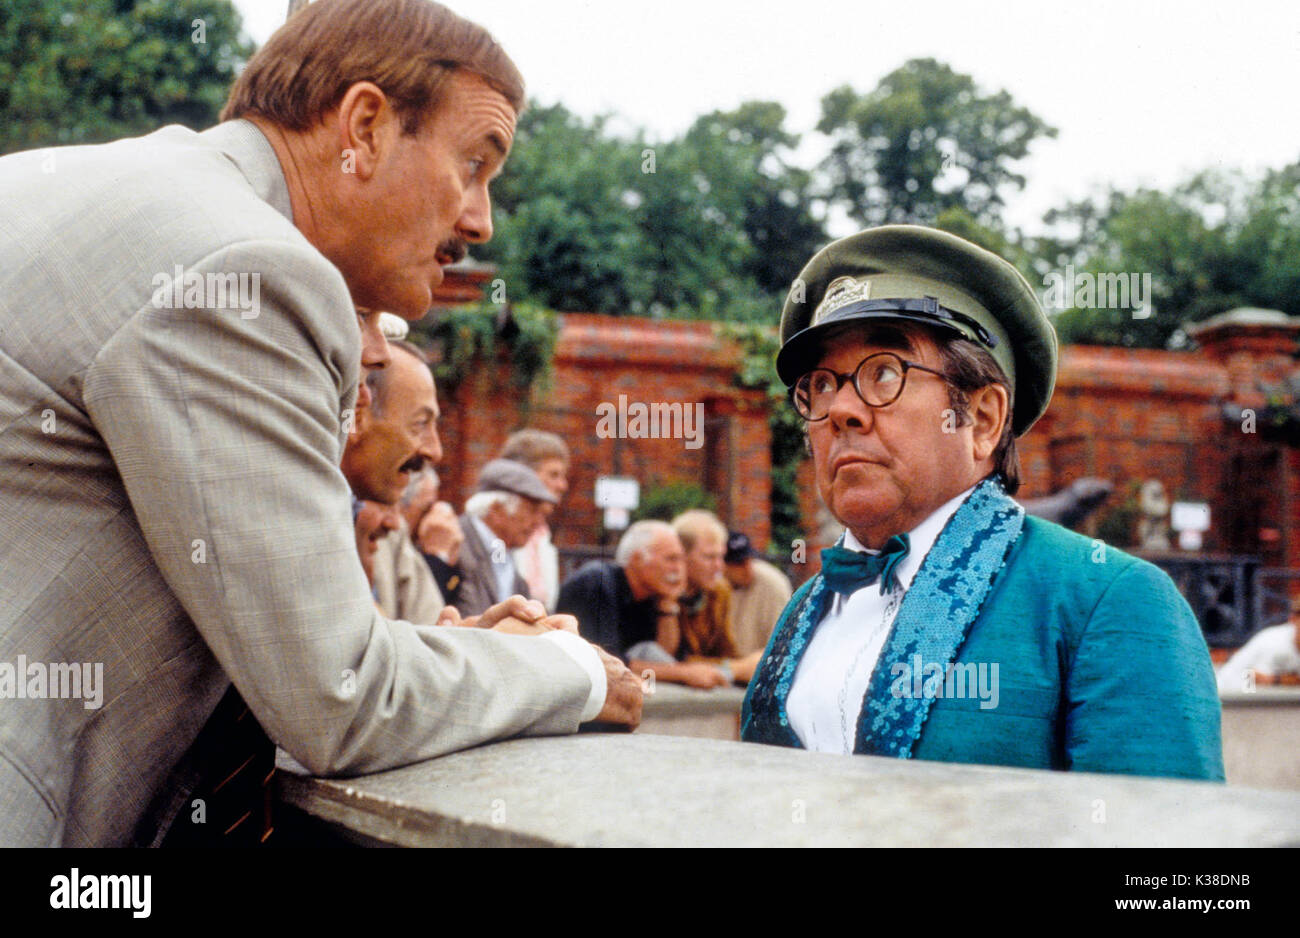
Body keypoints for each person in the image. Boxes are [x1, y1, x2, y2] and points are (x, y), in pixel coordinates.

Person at [0, 0, 640, 847]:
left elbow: (288, 647)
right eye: (475, 164)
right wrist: (563, 669)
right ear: (365, 127)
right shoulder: (245, 266)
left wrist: (425, 660)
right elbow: (336, 696)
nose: (482, 220)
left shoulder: (94, 187)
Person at [741, 225, 1223, 781]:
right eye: (822, 384)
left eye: (884, 373)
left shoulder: (1108, 599)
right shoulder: (802, 610)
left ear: (983, 420)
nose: (842, 409)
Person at [558, 521, 731, 689]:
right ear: (637, 559)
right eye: (671, 559)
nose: (679, 569)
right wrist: (684, 673)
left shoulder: (650, 594)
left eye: (681, 561)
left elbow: (662, 658)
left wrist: (668, 604)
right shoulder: (597, 581)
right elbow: (606, 662)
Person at [455, 460, 557, 617]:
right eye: (531, 510)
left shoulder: (504, 550)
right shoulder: (456, 545)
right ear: (496, 510)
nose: (539, 522)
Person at [671, 511, 762, 683]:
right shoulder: (662, 590)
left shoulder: (719, 591)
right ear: (682, 555)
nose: (718, 566)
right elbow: (670, 660)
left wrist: (744, 666)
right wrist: (737, 668)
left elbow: (726, 650)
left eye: (721, 556)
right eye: (709, 557)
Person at [500, 430, 571, 611]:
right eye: (553, 475)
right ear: (522, 476)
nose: (563, 486)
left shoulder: (543, 538)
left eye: (563, 476)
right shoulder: (499, 532)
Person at [723, 531, 793, 656]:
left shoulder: (773, 584)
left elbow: (781, 644)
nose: (748, 569)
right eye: (739, 564)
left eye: (750, 559)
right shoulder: (712, 585)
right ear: (722, 565)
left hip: (763, 666)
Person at [1216, 599, 1300, 693]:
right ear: (1293, 618)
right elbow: (1248, 678)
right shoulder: (1274, 642)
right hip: (1229, 693)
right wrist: (1275, 680)